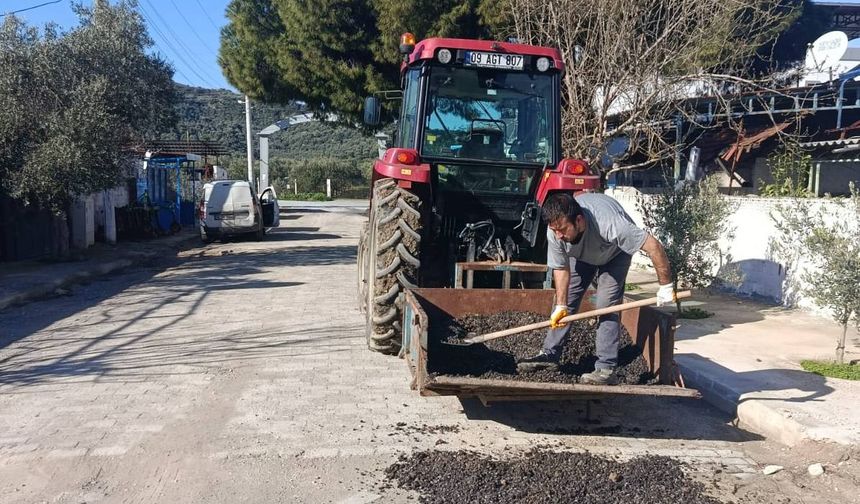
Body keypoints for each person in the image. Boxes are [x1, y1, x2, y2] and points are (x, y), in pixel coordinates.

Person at [517, 192, 675, 385]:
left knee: (606, 305)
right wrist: (561, 305)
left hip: (615, 254)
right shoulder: (556, 233)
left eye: (563, 229)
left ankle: (606, 369)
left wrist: (666, 286)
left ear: (579, 220)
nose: (558, 235)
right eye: (554, 230)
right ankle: (549, 354)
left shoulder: (611, 224)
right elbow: (560, 268)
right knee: (564, 301)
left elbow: (654, 246)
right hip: (582, 256)